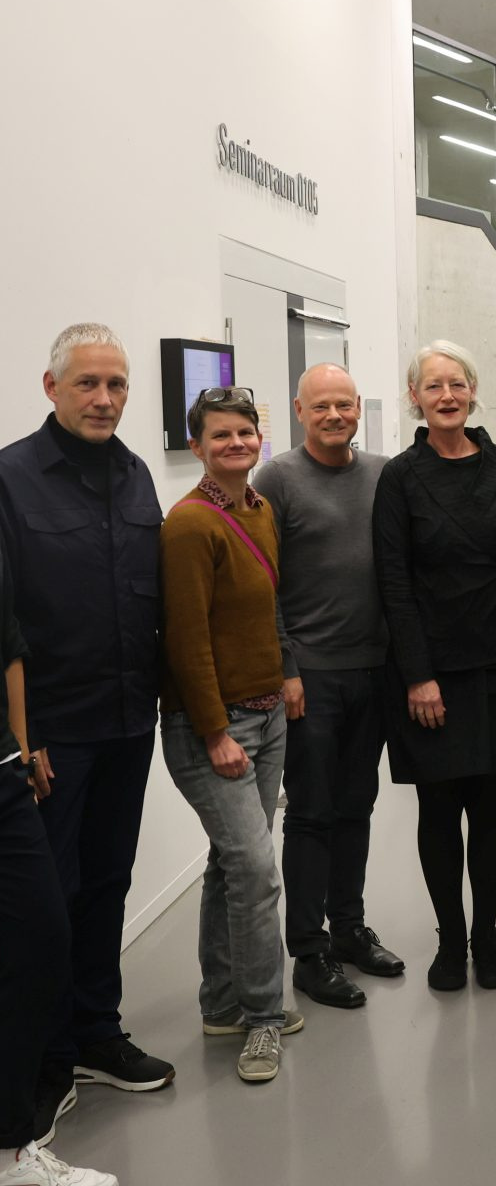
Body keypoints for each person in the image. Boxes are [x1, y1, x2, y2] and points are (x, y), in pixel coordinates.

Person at [0, 324, 173, 1137]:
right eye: (88, 385)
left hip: (127, 723)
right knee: (47, 903)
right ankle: (48, 1056)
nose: (105, 399)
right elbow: (5, 627)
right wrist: (21, 738)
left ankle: (98, 1032)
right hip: (52, 738)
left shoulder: (138, 476)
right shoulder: (11, 479)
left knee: (108, 882)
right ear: (51, 387)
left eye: (117, 385)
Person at [373, 342, 496, 992]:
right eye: (433, 386)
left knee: (490, 804)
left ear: (473, 392)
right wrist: (418, 676)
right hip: (431, 676)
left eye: (457, 384)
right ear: (414, 397)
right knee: (439, 809)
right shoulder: (400, 477)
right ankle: (451, 939)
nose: (446, 396)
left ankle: (484, 934)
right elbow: (394, 582)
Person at [159, 385, 302, 1085]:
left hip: (269, 712)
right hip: (213, 725)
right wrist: (216, 731)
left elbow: (269, 607)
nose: (236, 444)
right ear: (197, 448)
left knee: (230, 862)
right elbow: (185, 641)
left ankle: (221, 1002)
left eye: (245, 432)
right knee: (254, 869)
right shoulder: (189, 525)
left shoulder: (258, 508)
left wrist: (288, 674)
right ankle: (263, 1019)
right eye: (220, 437)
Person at [254, 364, 404, 1013]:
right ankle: (309, 951)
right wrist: (287, 668)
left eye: (345, 404)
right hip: (312, 676)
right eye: (323, 407)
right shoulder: (277, 479)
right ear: (299, 410)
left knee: (356, 805)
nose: (337, 415)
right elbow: (265, 583)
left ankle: (348, 928)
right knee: (312, 813)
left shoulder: (382, 473)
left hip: (373, 669)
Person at [0, 541, 119, 1186]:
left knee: (41, 938)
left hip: (3, 772)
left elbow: (9, 644)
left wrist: (20, 746)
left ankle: (10, 1151)